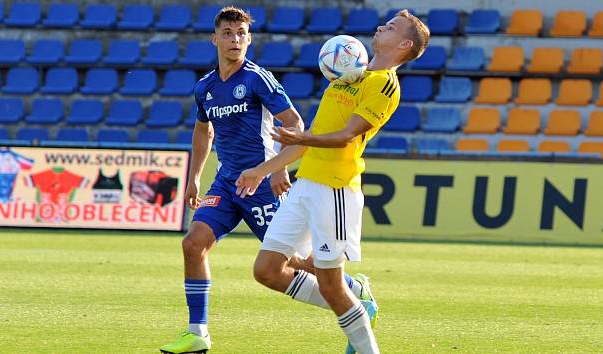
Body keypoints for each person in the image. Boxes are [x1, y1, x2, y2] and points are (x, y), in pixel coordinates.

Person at [160, 6, 368, 354]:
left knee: (298, 263)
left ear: (249, 39)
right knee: (192, 243)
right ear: (215, 39)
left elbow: (296, 125)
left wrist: (276, 168)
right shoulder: (205, 88)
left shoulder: (258, 79)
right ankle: (197, 333)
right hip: (227, 183)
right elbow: (203, 131)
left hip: (262, 184)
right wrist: (195, 177)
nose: (235, 40)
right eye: (228, 33)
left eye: (241, 33)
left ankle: (355, 291)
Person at [236, 9, 430, 354]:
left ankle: (364, 339)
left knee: (330, 283)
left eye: (392, 26)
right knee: (266, 270)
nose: (381, 26)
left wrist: (300, 140)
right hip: (306, 185)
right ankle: (357, 308)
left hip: (336, 189)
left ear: (404, 44)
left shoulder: (384, 84)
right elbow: (310, 138)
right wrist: (262, 170)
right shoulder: (346, 77)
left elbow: (344, 137)